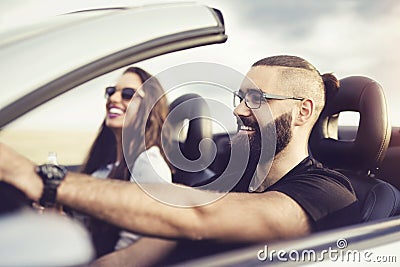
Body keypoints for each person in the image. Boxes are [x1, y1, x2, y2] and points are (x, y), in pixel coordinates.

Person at [0, 55, 361, 258]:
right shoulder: (233, 177)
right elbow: (142, 252)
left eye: (255, 99)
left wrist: (40, 178)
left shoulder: (328, 191)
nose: (238, 111)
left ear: (303, 112)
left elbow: (199, 216)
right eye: (239, 98)